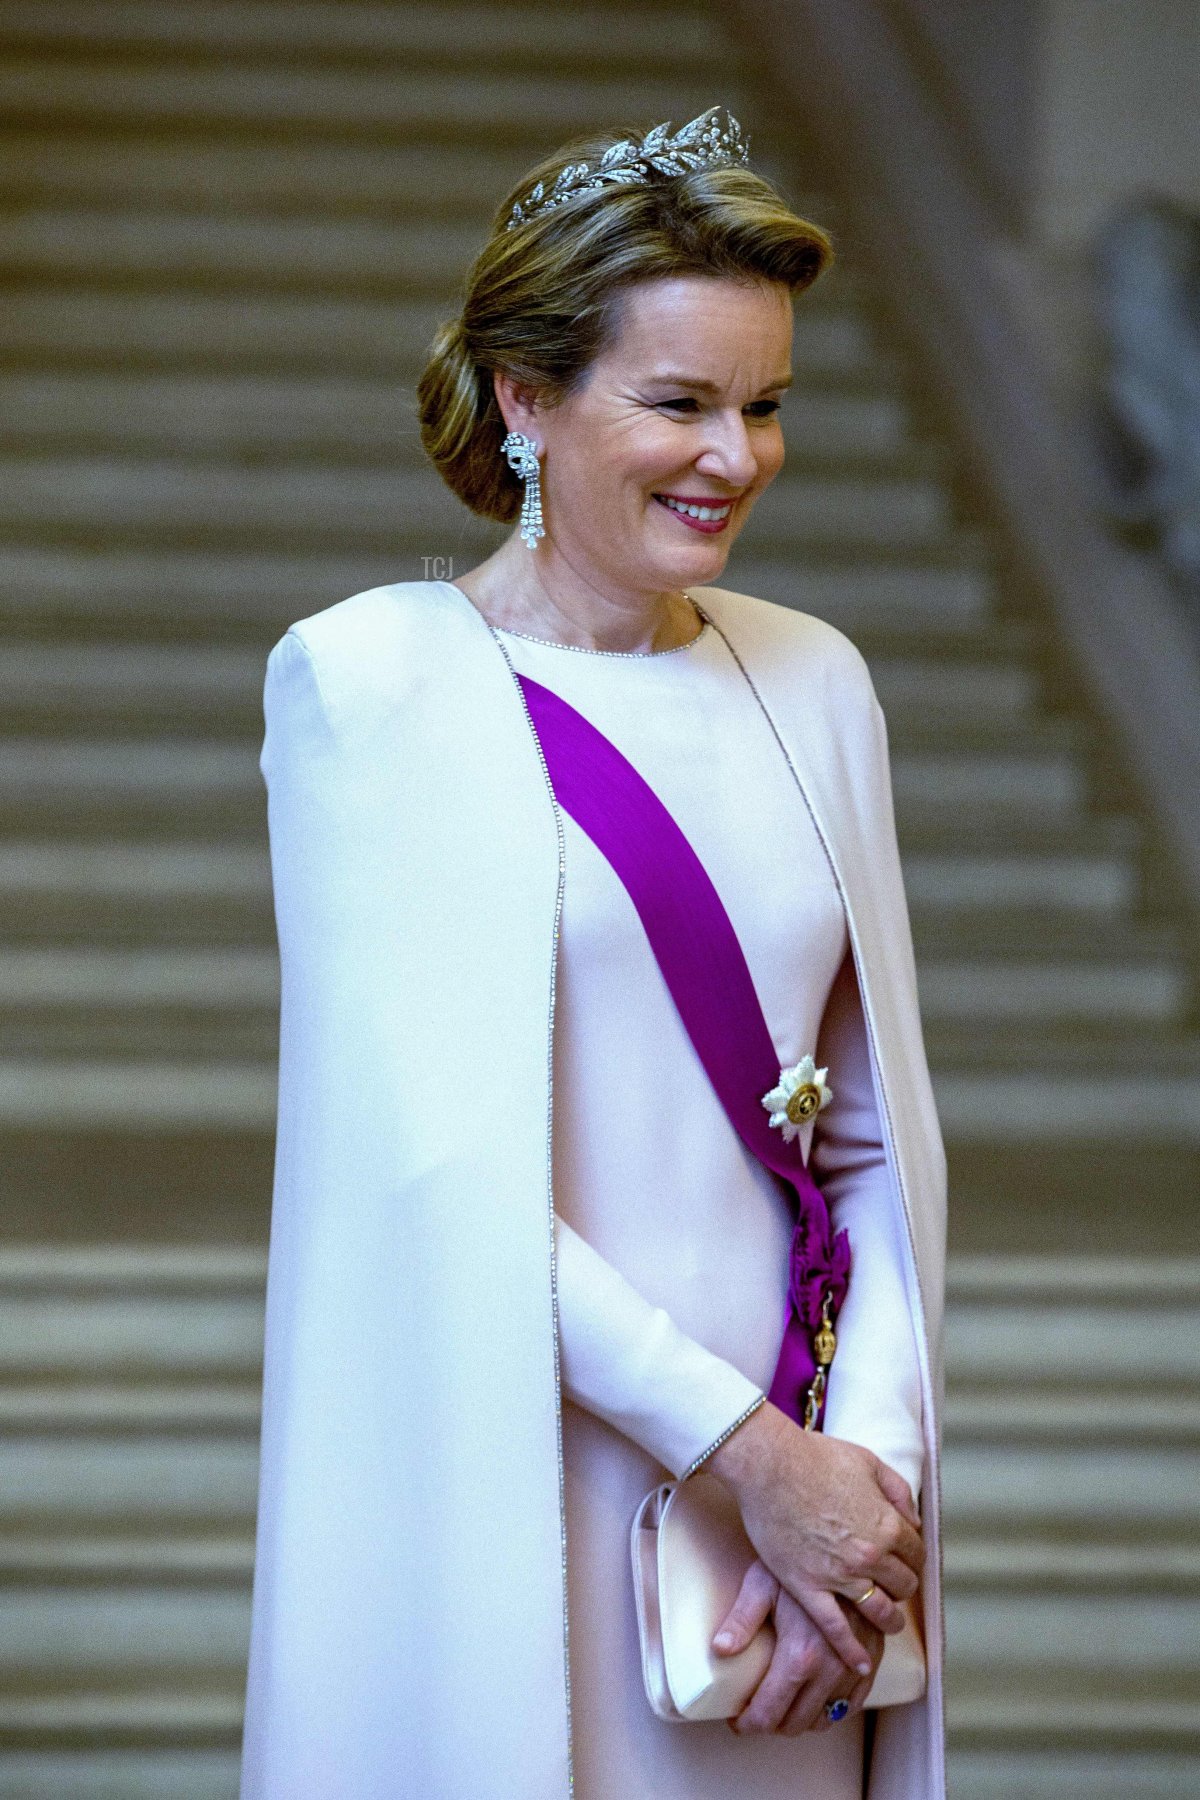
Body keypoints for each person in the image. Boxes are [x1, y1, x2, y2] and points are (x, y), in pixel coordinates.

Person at [240, 106, 947, 1799]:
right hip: (526, 1473)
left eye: (765, 405)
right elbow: (431, 1177)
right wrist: (750, 1458)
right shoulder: (374, 688)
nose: (736, 457)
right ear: (526, 400)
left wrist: (865, 1482)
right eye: (680, 402)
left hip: (808, 1520)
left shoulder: (815, 676)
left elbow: (869, 1142)